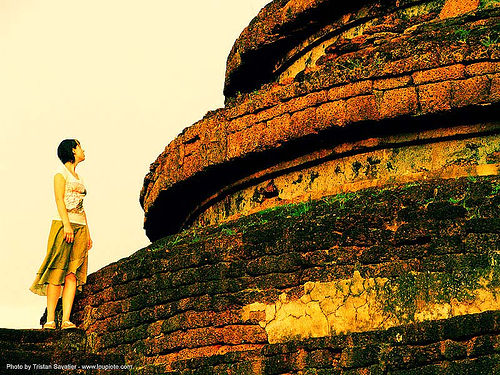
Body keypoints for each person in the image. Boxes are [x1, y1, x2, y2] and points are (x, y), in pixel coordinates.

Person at [30, 139, 92, 329]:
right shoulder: (60, 173)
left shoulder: (80, 178)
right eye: (80, 146)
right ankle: (50, 319)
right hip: (63, 225)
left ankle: (66, 319)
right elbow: (59, 200)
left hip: (80, 225)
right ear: (72, 150)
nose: (83, 149)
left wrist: (87, 232)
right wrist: (66, 225)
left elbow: (82, 207)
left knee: (72, 273)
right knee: (57, 270)